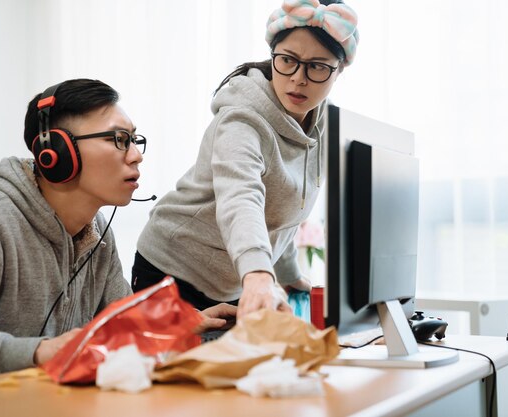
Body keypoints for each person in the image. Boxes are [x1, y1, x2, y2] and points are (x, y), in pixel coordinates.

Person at [0, 79, 235, 390]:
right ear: (55, 153)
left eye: (134, 139)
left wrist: (181, 324)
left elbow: (117, 325)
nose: (136, 155)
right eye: (118, 139)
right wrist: (42, 351)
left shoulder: (97, 231)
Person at [132, 0, 358, 319]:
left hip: (238, 280)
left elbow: (280, 212)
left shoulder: (323, 124)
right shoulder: (242, 120)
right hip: (172, 272)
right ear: (272, 55)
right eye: (287, 60)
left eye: (318, 66)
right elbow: (241, 197)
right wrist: (259, 274)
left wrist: (288, 274)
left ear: (340, 69)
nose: (298, 78)